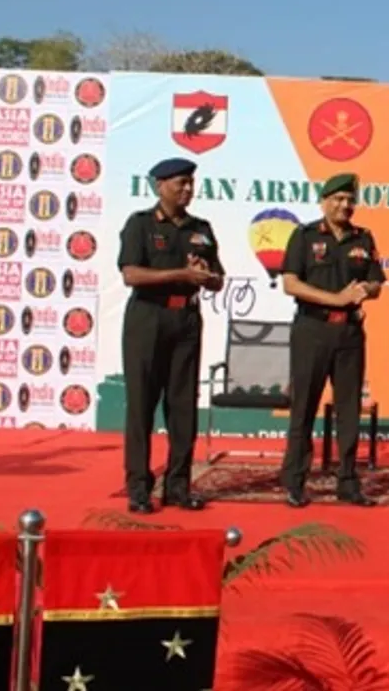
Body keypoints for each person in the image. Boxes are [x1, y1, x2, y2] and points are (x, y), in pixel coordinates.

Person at [116, 157, 224, 514]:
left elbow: (219, 279)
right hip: (149, 317)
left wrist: (207, 277)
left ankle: (178, 485)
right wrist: (180, 273)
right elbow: (131, 274)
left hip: (187, 320)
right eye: (180, 183)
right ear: (160, 185)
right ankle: (139, 487)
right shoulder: (141, 224)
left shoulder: (202, 228)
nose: (187, 189)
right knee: (142, 406)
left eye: (191, 183)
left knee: (183, 407)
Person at [278, 173, 386, 508]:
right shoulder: (305, 235)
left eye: (350, 199)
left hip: (350, 334)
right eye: (338, 199)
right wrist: (335, 299)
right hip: (312, 330)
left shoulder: (363, 238)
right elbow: (291, 284)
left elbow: (377, 285)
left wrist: (365, 290)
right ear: (324, 201)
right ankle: (295, 481)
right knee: (304, 408)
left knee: (349, 410)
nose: (345, 205)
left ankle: (349, 482)